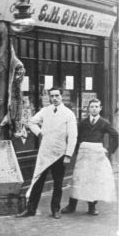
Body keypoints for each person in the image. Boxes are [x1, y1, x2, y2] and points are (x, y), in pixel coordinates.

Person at [16, 86, 77, 219]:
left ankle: (55, 209)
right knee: (37, 181)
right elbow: (31, 122)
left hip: (60, 154)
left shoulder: (68, 114)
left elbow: (73, 136)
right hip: (45, 153)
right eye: (52, 96)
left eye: (57, 96)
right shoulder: (45, 111)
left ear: (61, 96)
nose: (54, 98)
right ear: (49, 97)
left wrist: (68, 155)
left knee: (58, 184)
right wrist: (40, 133)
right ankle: (30, 209)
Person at [62, 98, 118, 215]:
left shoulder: (104, 123)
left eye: (96, 107)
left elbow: (116, 136)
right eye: (92, 107)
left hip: (97, 155)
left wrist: (109, 150)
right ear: (88, 109)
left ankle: (92, 207)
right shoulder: (82, 123)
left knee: (93, 180)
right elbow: (75, 137)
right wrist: (77, 151)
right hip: (83, 155)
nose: (94, 109)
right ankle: (72, 206)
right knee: (78, 179)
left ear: (100, 108)